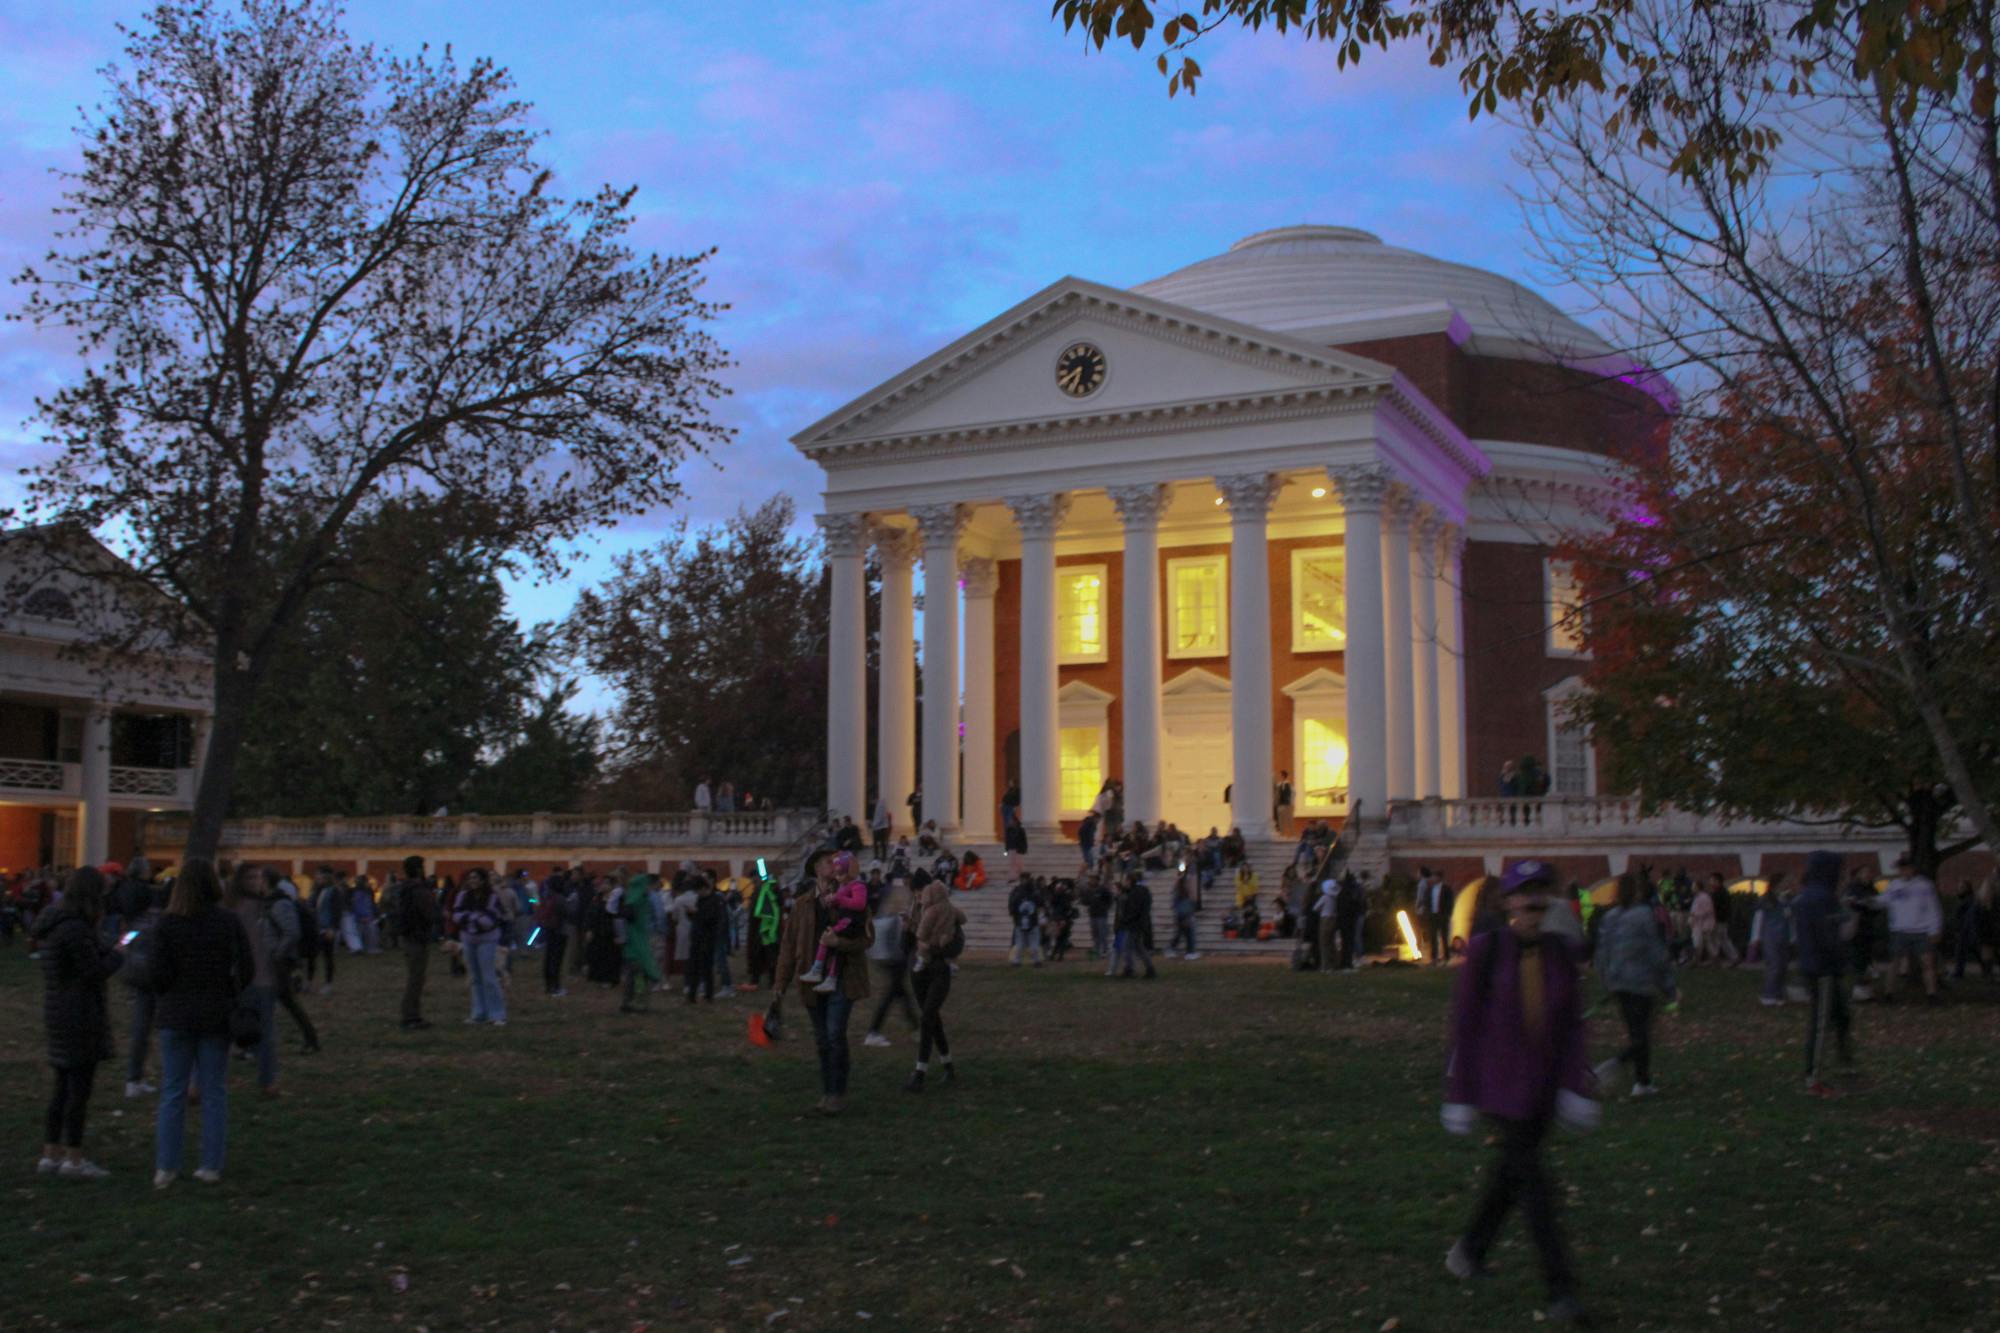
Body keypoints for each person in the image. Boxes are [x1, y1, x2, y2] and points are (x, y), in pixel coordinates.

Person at [1440, 859, 1596, 1324]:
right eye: (1524, 897)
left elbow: (1572, 1026)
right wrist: (1460, 1093)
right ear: (1508, 902)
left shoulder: (1559, 955)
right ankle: (1560, 1288)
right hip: (1499, 1090)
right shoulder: (1487, 953)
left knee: (1510, 1178)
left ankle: (1468, 1251)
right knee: (1537, 1188)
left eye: (1539, 896)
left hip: (1542, 1091)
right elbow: (1465, 1026)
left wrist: (1575, 1086)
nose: (1532, 906)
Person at [150, 859, 252, 1188]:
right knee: (213, 1092)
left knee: (173, 1090)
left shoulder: (168, 924)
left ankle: (166, 1166)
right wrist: (231, 990)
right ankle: (211, 1164)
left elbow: (157, 973)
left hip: (176, 1013)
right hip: (215, 1012)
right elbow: (246, 966)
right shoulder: (227, 922)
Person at [35, 866, 124, 1178]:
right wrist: (118, 954)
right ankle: (74, 1158)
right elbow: (93, 972)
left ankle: (51, 1153)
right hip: (80, 1014)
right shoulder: (75, 929)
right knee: (78, 1091)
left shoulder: (54, 925)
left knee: (61, 1086)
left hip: (58, 1010)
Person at [777, 853, 874, 1114]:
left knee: (834, 1034)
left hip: (843, 976)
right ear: (816, 869)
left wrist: (839, 943)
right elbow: (788, 946)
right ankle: (827, 1091)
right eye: (827, 861)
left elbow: (867, 939)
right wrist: (780, 985)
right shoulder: (802, 905)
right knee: (822, 1039)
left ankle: (836, 1094)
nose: (834, 865)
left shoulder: (852, 894)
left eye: (836, 861)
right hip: (811, 977)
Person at [1592, 871, 1675, 1096]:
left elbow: (1602, 953)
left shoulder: (1610, 917)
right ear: (1636, 891)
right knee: (1642, 1035)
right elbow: (1655, 951)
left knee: (1637, 1033)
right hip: (1641, 983)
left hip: (1620, 984)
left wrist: (1606, 981)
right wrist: (1668, 985)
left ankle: (1643, 1081)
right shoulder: (1643, 915)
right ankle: (1615, 1068)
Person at [1793, 851, 1856, 1097]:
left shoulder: (1810, 896)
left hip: (1816, 965)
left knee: (1838, 1016)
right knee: (1821, 1022)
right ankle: (1814, 1078)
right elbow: (1829, 934)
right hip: (1823, 968)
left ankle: (1840, 1062)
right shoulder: (1822, 898)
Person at [224, 863, 286, 1097]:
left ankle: (267, 1081)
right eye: (250, 877)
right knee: (223, 1032)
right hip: (238, 978)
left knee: (266, 1033)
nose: (255, 882)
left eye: (258, 877)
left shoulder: (264, 907)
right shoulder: (232, 908)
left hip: (262, 977)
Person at [905, 876, 964, 1092]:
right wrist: (908, 930)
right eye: (916, 892)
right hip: (919, 973)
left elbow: (956, 944)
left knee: (928, 1016)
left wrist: (931, 947)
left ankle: (920, 1071)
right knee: (932, 1020)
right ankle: (948, 1066)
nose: (918, 896)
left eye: (921, 891)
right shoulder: (915, 911)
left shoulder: (946, 912)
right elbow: (908, 946)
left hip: (939, 972)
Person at [120, 856, 164, 1097]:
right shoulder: (150, 904)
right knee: (155, 1024)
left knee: (141, 1022)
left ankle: (134, 1077)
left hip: (135, 961)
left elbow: (129, 932)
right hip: (151, 965)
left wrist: (124, 945)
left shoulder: (126, 895)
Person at [800, 853, 869, 993]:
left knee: (828, 940)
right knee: (830, 944)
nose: (838, 877)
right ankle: (820, 972)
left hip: (851, 923)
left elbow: (859, 904)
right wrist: (833, 900)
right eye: (837, 874)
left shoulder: (857, 885)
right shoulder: (844, 887)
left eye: (841, 874)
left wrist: (839, 899)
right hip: (845, 921)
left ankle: (820, 972)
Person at [1880, 853, 1944, 1004]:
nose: (1904, 871)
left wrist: (1935, 929)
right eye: (1901, 869)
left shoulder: (1924, 885)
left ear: (1912, 869)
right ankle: (1888, 993)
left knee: (1927, 962)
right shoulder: (1894, 886)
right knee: (1894, 963)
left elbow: (1933, 908)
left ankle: (1932, 994)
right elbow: (1882, 901)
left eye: (1906, 868)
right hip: (1900, 930)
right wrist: (1867, 901)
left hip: (1920, 930)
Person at [863, 880, 919, 1047]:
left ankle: (916, 1028)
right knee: (892, 995)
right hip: (894, 960)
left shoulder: (887, 915)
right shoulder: (896, 919)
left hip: (886, 960)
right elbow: (899, 944)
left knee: (901, 994)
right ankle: (873, 1032)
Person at [452, 870, 508, 1026]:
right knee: (474, 977)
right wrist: (475, 918)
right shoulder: (463, 896)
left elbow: (490, 920)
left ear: (483, 880)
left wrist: (469, 919)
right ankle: (479, 1013)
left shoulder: (492, 897)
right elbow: (456, 916)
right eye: (470, 878)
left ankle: (497, 1014)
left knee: (489, 977)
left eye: (476, 877)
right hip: (469, 940)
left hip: (487, 940)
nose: (473, 880)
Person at [390, 856, 439, 1031]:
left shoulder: (405, 888)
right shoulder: (419, 890)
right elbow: (429, 912)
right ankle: (411, 1016)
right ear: (419, 869)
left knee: (415, 977)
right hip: (417, 937)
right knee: (416, 979)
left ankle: (412, 1014)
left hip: (409, 936)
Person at [620, 873, 664, 1012]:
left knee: (631, 974)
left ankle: (628, 1001)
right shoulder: (640, 900)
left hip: (632, 942)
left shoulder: (629, 899)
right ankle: (639, 1002)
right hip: (640, 941)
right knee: (641, 973)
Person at [685, 875, 724, 1003]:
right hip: (697, 936)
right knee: (694, 968)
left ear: (703, 888)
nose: (697, 893)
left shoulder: (714, 901)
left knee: (706, 968)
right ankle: (692, 995)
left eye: (697, 890)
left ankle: (708, 995)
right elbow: (698, 918)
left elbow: (710, 919)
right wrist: (691, 913)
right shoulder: (701, 900)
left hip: (707, 938)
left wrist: (696, 913)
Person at [1755, 874, 1793, 1006]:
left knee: (1782, 966)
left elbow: (1790, 917)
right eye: (1785, 882)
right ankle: (1768, 994)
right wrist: (1756, 938)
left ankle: (1778, 994)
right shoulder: (1766, 899)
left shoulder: (1786, 899)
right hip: (1771, 936)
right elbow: (1758, 918)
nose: (1787, 885)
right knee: (1774, 965)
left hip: (1784, 935)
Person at [536, 872, 571, 996]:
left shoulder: (547, 897)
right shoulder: (561, 898)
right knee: (556, 961)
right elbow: (569, 913)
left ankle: (548, 986)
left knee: (548, 958)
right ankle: (555, 987)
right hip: (560, 931)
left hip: (548, 929)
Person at [1008, 877, 1044, 966]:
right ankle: (1036, 960)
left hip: (1020, 921)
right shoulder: (1035, 894)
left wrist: (1015, 916)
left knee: (1019, 943)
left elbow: (1012, 907)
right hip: (1033, 921)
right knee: (1034, 943)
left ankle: (1017, 961)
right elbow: (1041, 903)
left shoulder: (1017, 895)